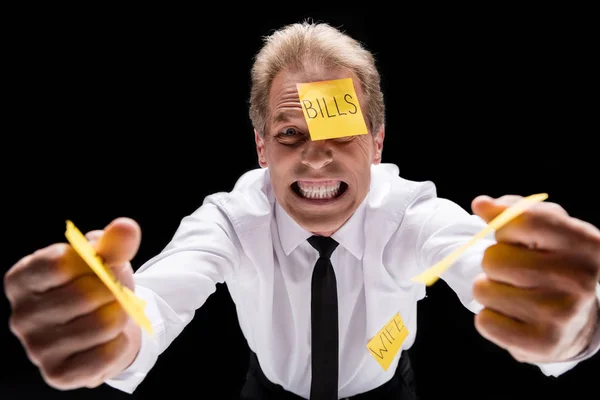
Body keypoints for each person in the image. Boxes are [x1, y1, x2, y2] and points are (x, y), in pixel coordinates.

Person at [4, 20, 600, 400]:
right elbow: (156, 298)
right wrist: (114, 332)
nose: (316, 160)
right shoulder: (232, 220)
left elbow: (480, 259)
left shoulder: (413, 213)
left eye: (341, 133)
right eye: (291, 135)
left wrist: (577, 325)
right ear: (260, 146)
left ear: (378, 143)